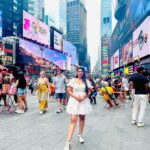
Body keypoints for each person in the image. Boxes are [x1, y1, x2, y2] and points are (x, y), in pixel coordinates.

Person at [64, 67, 92, 150]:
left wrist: (84, 96)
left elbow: (89, 91)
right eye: (78, 71)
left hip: (83, 101)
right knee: (73, 120)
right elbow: (68, 90)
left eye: (81, 71)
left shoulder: (86, 81)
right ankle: (68, 142)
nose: (80, 73)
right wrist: (76, 96)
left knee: (82, 117)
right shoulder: (73, 80)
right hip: (74, 101)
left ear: (83, 73)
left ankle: (80, 134)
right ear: (76, 72)